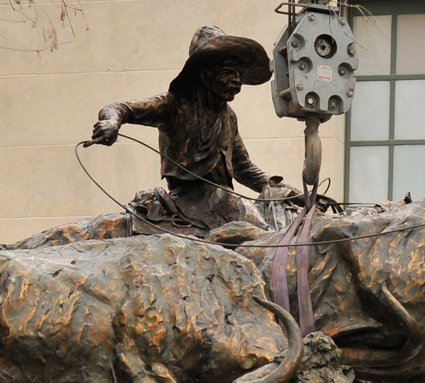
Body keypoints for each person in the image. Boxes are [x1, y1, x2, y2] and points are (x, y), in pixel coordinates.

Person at [89, 25, 288, 232]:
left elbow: (242, 167)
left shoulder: (228, 117)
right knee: (253, 223)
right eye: (229, 72)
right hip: (190, 201)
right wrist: (111, 122)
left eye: (239, 74)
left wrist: (275, 188)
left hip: (221, 201)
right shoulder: (174, 105)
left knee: (274, 214)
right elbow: (119, 108)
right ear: (205, 74)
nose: (237, 80)